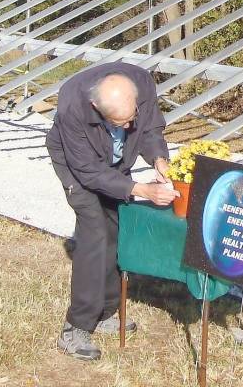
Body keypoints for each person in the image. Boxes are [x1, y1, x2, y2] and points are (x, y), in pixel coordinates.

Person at [46, 62, 179, 361]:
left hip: (114, 160)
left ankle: (105, 312)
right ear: (95, 107)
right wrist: (142, 189)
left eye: (131, 116)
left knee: (115, 230)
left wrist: (159, 159)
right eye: (121, 122)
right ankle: (75, 328)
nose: (129, 125)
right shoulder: (72, 106)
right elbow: (89, 172)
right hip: (77, 167)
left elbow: (151, 127)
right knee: (94, 234)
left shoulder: (141, 83)